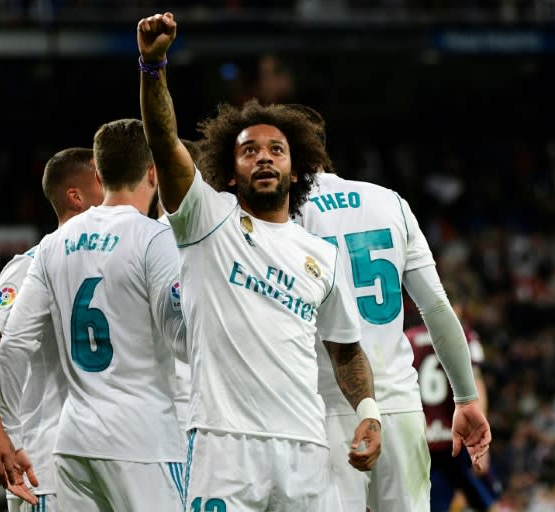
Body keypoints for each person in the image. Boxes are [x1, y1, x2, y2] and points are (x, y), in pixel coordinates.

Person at [138, 12, 381, 511]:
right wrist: (152, 66)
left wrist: (370, 411)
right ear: (229, 173)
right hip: (224, 445)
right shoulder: (207, 220)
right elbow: (164, 144)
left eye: (276, 150)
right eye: (249, 151)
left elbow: (346, 350)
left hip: (306, 449)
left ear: (297, 171)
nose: (264, 158)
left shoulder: (322, 255)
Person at [292, 107, 492, 511]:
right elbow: (436, 309)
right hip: (400, 404)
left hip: (323, 408)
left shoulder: (283, 216)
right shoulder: (390, 202)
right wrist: (467, 399)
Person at [0, 118, 188, 511]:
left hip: (74, 444)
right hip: (143, 441)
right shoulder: (154, 237)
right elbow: (182, 340)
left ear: (99, 173)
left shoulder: (51, 245)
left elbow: (11, 347)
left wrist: (10, 434)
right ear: (153, 172)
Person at [0, 147, 105, 510]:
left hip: (103, 463)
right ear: (75, 197)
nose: (110, 186)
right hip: (45, 467)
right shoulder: (30, 264)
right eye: (100, 178)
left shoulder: (114, 259)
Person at [406, 303, 500, 512]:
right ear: (455, 308)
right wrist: (481, 435)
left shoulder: (408, 338)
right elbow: (476, 383)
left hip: (425, 441)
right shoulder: (464, 334)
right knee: (489, 503)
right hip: (460, 438)